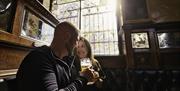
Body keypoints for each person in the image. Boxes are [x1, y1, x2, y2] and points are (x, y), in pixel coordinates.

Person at [16, 22, 95, 91]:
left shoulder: (64, 61)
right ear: (66, 36)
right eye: (77, 40)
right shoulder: (39, 58)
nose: (77, 45)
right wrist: (83, 78)